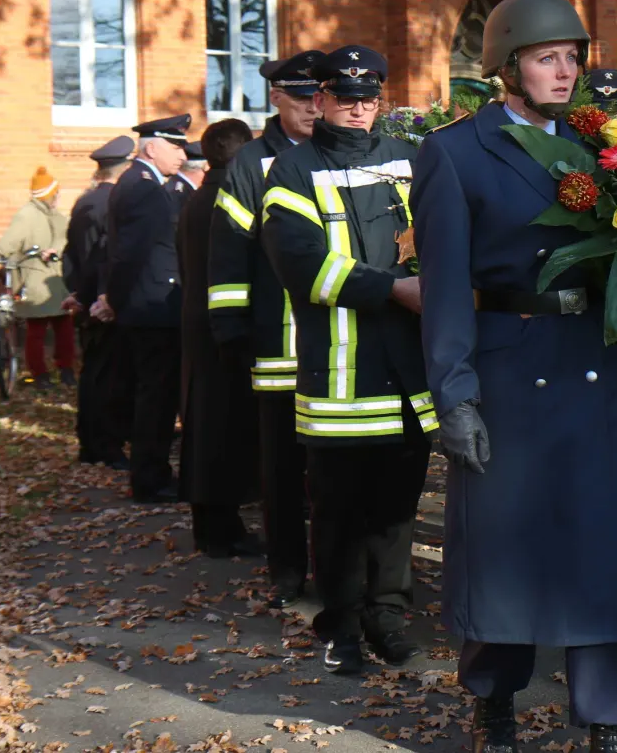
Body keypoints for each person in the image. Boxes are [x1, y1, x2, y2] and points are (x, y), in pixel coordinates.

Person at [414, 0, 617, 753]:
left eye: (572, 56)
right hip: (509, 373)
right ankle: (493, 702)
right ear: (507, 67)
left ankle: (608, 714)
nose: (566, 70)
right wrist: (454, 396)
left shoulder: (599, 149)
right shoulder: (454, 151)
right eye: (548, 57)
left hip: (593, 367)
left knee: (600, 542)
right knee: (502, 546)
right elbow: (445, 289)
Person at [260, 45, 434, 672]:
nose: (359, 108)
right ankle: (341, 623)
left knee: (396, 509)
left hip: (410, 369)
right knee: (336, 511)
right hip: (340, 373)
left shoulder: (411, 160)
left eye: (370, 98)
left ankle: (388, 616)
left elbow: (443, 237)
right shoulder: (291, 170)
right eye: (346, 97)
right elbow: (301, 263)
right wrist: (393, 287)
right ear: (322, 99)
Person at [209, 51, 324, 608]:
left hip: (341, 345)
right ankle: (286, 566)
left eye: (319, 96)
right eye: (302, 98)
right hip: (279, 344)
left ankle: (337, 566)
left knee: (335, 470)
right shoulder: (253, 163)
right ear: (277, 98)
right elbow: (229, 252)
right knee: (281, 468)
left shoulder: (340, 152)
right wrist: (231, 331)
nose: (313, 107)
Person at [178, 119, 261, 557]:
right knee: (219, 431)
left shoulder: (200, 195)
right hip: (219, 328)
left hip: (200, 324)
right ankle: (218, 529)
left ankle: (216, 524)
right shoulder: (226, 198)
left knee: (208, 428)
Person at [105, 114, 191, 504]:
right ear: (152, 148)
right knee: (156, 399)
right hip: (153, 308)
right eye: (176, 147)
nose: (182, 154)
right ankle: (151, 478)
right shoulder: (144, 189)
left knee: (154, 396)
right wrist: (117, 301)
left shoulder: (142, 184)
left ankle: (151, 474)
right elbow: (130, 255)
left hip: (147, 304)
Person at [63, 137, 134, 467]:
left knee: (94, 372)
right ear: (124, 169)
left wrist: (75, 291)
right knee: (107, 376)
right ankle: (105, 444)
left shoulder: (85, 201)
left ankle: (91, 443)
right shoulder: (111, 204)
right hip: (103, 302)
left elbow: (70, 255)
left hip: (86, 298)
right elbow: (108, 256)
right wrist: (106, 297)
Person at [0, 166, 72, 388]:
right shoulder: (28, 215)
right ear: (50, 194)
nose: (59, 197)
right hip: (38, 278)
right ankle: (48, 373)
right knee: (43, 329)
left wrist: (55, 249)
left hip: (53, 279)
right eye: (57, 193)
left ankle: (55, 372)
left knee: (56, 328)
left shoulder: (55, 215)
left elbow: (64, 239)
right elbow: (10, 241)